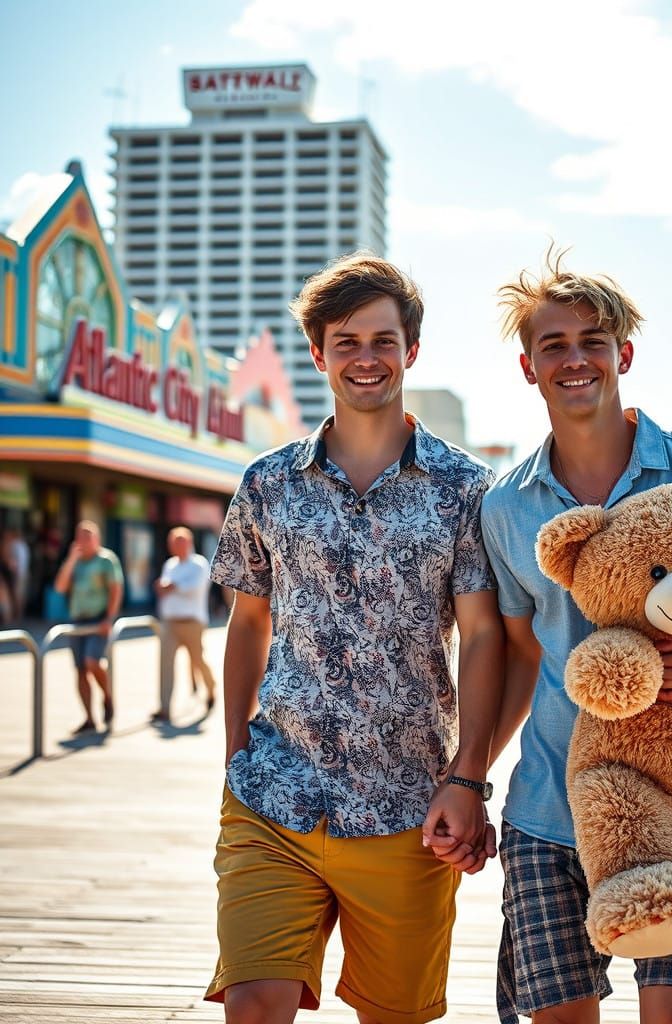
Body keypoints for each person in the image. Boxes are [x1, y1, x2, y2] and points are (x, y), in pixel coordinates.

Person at [457, 253, 672, 1024]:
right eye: (555, 345)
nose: (575, 358)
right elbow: (520, 655)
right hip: (551, 804)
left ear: (624, 354)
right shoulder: (506, 508)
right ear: (528, 367)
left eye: (593, 340)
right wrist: (467, 776)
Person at [204, 252, 503, 1024]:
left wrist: (468, 776)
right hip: (274, 795)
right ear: (318, 354)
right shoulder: (268, 482)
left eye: (382, 340)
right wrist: (237, 747)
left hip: (408, 808)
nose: (365, 358)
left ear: (411, 350)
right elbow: (247, 620)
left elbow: (480, 635)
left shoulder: (465, 489)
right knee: (254, 1005)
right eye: (346, 342)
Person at [53, 520, 124, 733]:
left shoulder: (106, 560)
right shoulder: (75, 562)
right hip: (78, 620)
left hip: (98, 619)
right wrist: (71, 559)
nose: (84, 541)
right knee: (80, 669)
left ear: (97, 539)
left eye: (88, 536)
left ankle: (107, 696)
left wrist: (109, 619)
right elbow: (60, 587)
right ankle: (89, 718)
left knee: (92, 661)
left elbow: (115, 589)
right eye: (80, 536)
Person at [152, 526, 217, 724]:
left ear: (188, 543)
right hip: (170, 622)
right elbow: (163, 588)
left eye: (179, 542)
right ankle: (164, 708)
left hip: (192, 622)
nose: (175, 546)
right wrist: (167, 588)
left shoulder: (199, 564)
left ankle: (210, 687)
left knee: (198, 660)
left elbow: (194, 588)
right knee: (165, 665)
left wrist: (172, 587)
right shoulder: (170, 565)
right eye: (173, 542)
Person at [2, 527, 30, 619]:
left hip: (19, 575)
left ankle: (16, 616)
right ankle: (17, 616)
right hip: (21, 574)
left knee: (17, 595)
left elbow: (13, 563)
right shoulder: (21, 545)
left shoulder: (16, 545)